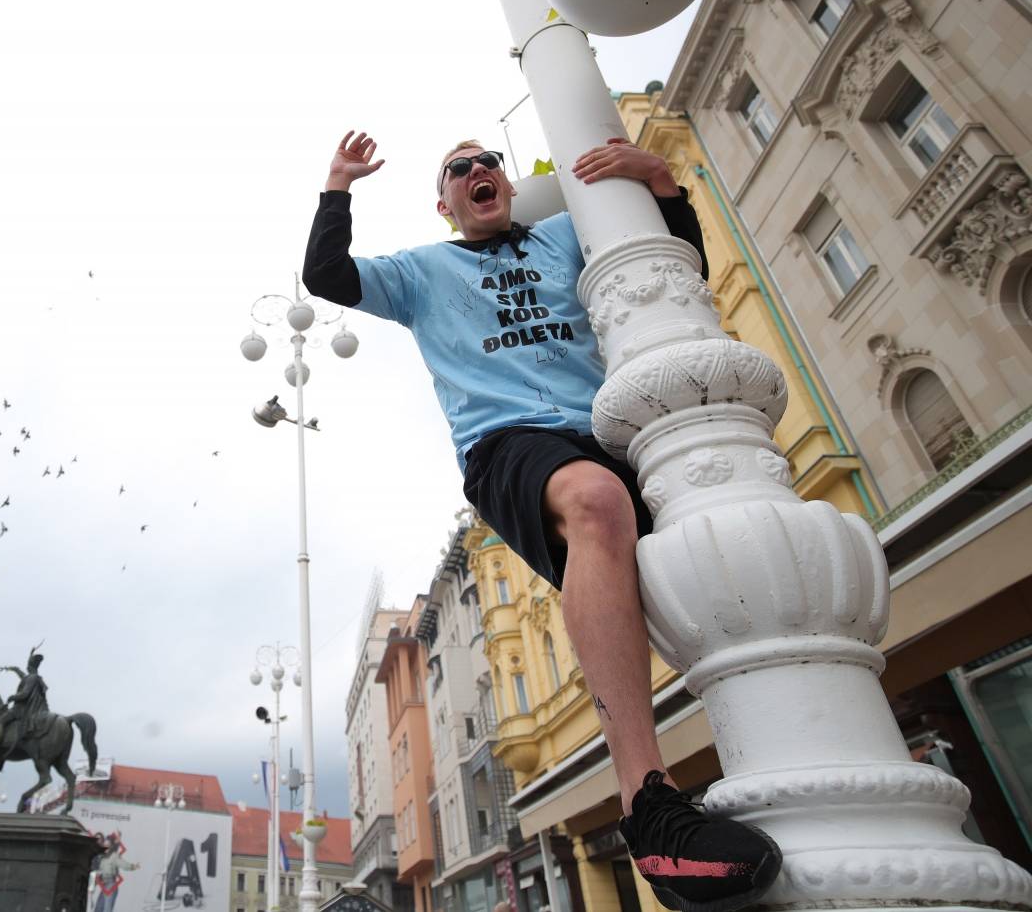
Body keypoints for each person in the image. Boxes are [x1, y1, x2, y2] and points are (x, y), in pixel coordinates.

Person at [302, 131, 781, 912]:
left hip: (612, 425)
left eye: (487, 161)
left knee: (705, 550)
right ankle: (648, 805)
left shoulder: (566, 233)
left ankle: (753, 755)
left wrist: (656, 180)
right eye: (458, 170)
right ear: (444, 202)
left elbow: (671, 264)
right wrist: (337, 185)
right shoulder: (425, 271)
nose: (476, 172)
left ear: (507, 184)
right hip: (509, 444)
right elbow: (326, 275)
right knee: (596, 500)